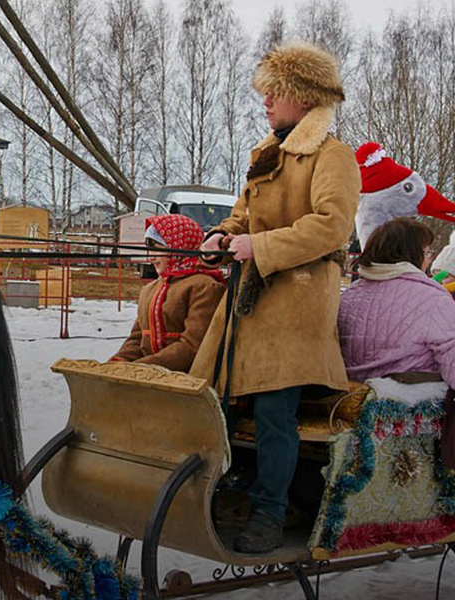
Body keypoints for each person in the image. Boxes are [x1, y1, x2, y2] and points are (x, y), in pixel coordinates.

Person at [191, 42, 361, 554]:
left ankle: (270, 514)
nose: (265, 101)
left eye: (276, 92)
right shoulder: (267, 153)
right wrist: (220, 237)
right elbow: (243, 218)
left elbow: (332, 227)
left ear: (305, 98)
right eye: (265, 92)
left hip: (295, 311)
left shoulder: (333, 156)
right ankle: (221, 493)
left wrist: (258, 246)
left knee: (272, 415)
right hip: (249, 307)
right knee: (214, 403)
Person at [339, 218, 455, 387]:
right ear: (414, 254)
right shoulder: (433, 300)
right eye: (427, 253)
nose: (428, 261)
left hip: (349, 397)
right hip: (413, 400)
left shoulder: (349, 296)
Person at [110, 214, 225, 372]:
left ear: (179, 246)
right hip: (148, 379)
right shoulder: (150, 289)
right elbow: (137, 339)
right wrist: (116, 364)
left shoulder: (204, 286)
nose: (151, 257)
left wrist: (140, 369)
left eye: (158, 250)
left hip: (188, 382)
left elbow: (193, 346)